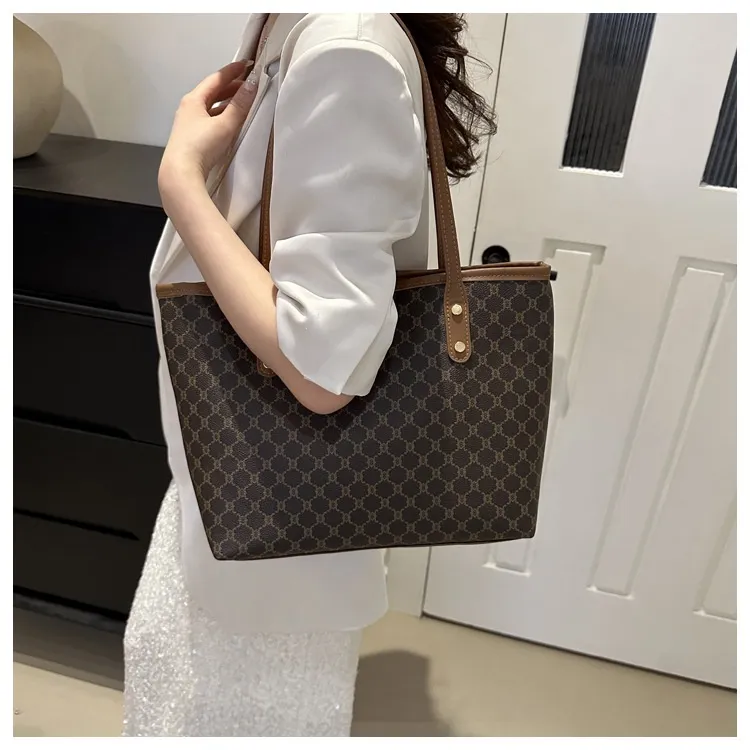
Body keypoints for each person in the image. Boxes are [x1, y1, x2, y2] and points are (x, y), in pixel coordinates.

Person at [123, 13, 496, 737]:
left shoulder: (343, 48)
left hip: (272, 520)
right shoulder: (294, 25)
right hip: (232, 486)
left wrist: (180, 181)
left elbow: (320, 372)